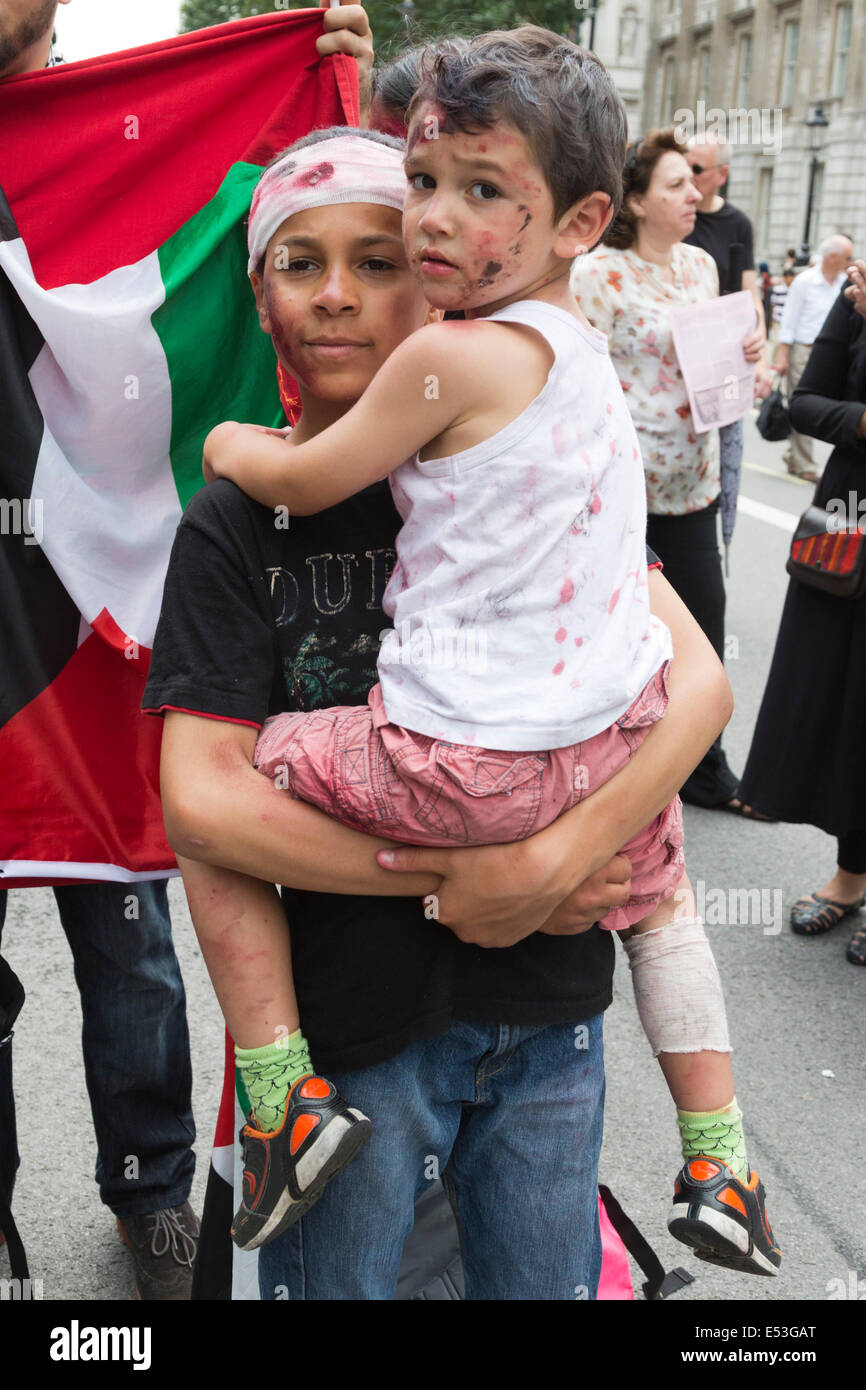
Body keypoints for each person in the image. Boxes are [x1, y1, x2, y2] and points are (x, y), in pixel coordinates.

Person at [197, 33, 778, 1280]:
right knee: (666, 895)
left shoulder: (447, 386)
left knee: (277, 755)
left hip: (534, 997)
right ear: (261, 292)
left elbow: (706, 684)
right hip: (410, 995)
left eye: (472, 193)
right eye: (421, 186)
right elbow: (679, 690)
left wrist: (228, 447)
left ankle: (273, 1093)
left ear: (574, 222)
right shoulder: (571, 396)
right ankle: (716, 1150)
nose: (413, 242)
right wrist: (538, 854)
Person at [0, 0, 375, 1301]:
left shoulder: (147, 129)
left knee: (133, 946)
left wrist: (336, 102)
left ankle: (154, 1193)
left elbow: (342, 244)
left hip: (97, 633)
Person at [571, 129, 764, 818]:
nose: (696, 194)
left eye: (695, 183)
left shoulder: (700, 267)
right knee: (620, 637)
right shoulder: (596, 275)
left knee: (705, 630)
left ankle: (705, 771)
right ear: (640, 199)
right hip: (624, 492)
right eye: (679, 184)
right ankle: (612, 772)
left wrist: (749, 353)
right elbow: (575, 375)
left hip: (696, 485)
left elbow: (723, 367)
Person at [738, 259, 866, 964]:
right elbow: (805, 403)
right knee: (839, 707)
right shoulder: (859, 292)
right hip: (847, 529)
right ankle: (850, 878)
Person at [775, 233, 855, 482]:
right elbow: (789, 320)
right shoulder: (804, 281)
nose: (851, 261)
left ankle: (794, 455)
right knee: (803, 402)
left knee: (824, 404)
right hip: (804, 348)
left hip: (832, 354)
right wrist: (783, 356)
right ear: (833, 257)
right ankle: (804, 463)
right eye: (848, 256)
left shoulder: (845, 283)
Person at [769, 266, 796, 353]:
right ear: (784, 278)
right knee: (776, 343)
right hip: (778, 319)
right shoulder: (778, 289)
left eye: (791, 277)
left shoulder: (796, 290)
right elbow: (773, 305)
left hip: (790, 321)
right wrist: (771, 321)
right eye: (787, 277)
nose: (789, 279)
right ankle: (773, 363)